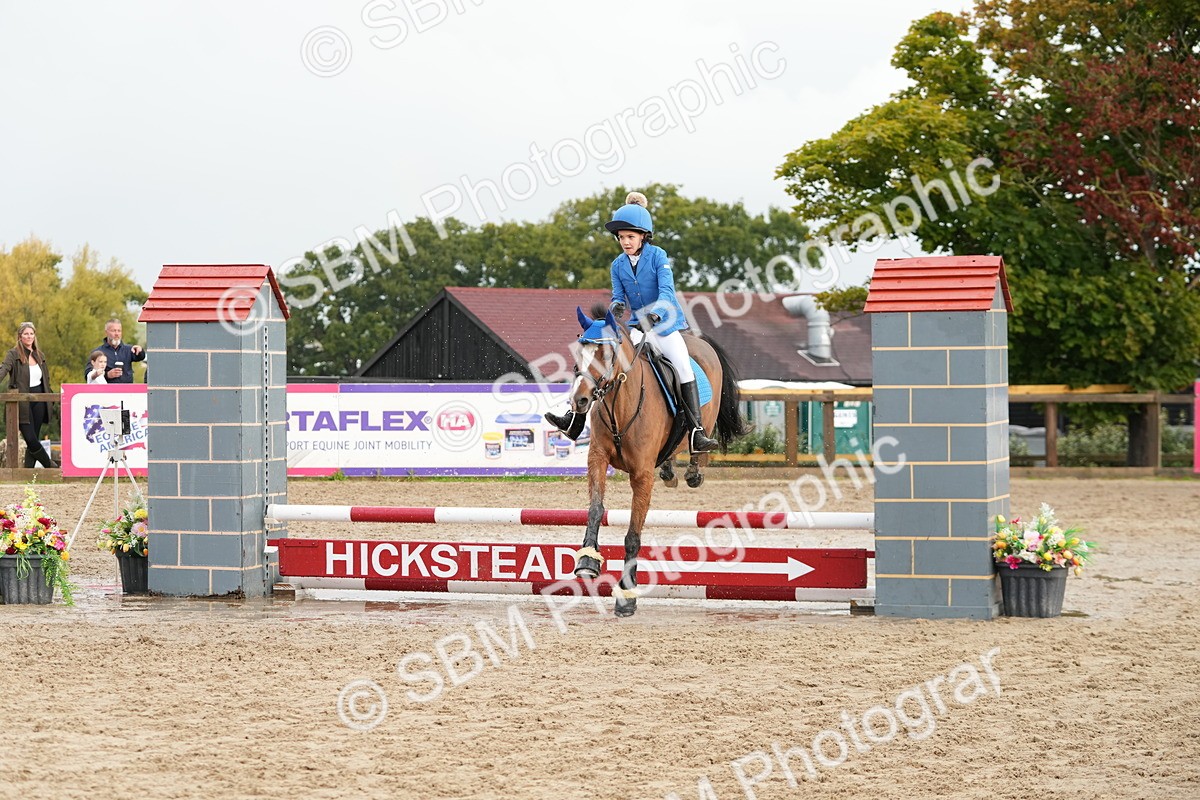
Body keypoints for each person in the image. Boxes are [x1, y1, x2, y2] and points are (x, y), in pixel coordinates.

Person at [546, 191, 719, 453]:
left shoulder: (659, 257)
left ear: (643, 237)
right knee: (605, 362)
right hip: (639, 328)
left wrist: (655, 314)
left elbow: (667, 294)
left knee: (683, 367)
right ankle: (575, 420)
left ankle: (696, 432)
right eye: (621, 238)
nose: (625, 242)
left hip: (665, 326)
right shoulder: (617, 265)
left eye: (630, 237)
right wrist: (615, 310)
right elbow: (619, 298)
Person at [0, 322, 58, 468]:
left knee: (35, 439)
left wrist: (50, 398)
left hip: (40, 398)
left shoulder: (40, 355)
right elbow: (4, 369)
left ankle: (28, 474)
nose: (29, 336)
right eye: (26, 334)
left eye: (31, 333)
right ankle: (51, 466)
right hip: (21, 400)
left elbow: (46, 379)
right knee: (30, 439)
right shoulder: (13, 354)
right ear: (20, 336)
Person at [84, 318, 145, 383]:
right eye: (113, 331)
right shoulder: (98, 352)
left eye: (119, 331)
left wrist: (140, 350)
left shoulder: (129, 349)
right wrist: (107, 375)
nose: (117, 334)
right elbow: (88, 375)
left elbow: (141, 357)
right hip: (107, 391)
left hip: (127, 391)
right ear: (106, 332)